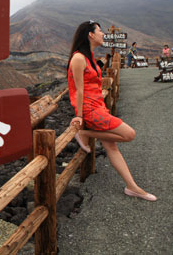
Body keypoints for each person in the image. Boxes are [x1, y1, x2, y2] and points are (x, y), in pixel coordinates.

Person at [67, 21, 156, 201]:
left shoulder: (90, 56)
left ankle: (132, 187)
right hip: (90, 109)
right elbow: (79, 89)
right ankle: (85, 133)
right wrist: (79, 116)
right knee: (129, 134)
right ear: (90, 35)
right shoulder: (78, 58)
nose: (103, 35)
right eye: (100, 31)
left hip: (99, 106)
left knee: (111, 146)